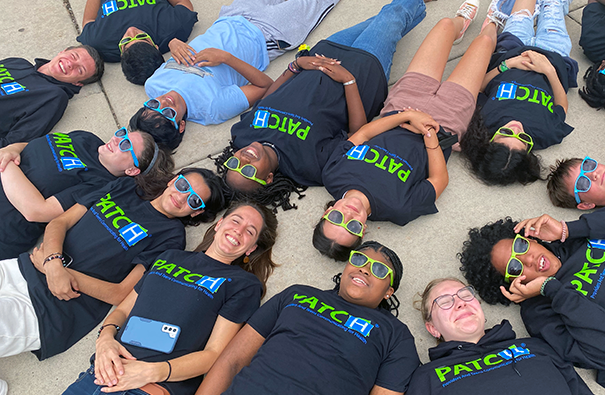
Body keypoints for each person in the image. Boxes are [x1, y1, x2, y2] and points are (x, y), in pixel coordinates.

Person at [312, 2, 493, 260]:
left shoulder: (332, 176)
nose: (349, 214)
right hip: (444, 122)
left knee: (443, 25)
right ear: (363, 230)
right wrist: (430, 137)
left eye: (337, 218)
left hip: (402, 105)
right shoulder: (398, 209)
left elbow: (362, 135)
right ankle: (496, 22)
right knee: (485, 43)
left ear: (326, 213)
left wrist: (406, 115)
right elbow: (438, 181)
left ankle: (461, 24)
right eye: (352, 226)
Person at [458, 203, 605, 395]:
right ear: (512, 285)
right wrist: (553, 290)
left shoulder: (574, 239)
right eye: (515, 267)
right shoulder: (539, 312)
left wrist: (569, 229)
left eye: (520, 246)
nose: (528, 258)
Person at [54, 201, 278, 395]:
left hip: (146, 392)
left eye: (249, 231)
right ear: (219, 224)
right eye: (235, 220)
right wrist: (104, 339)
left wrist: (152, 372)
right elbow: (123, 309)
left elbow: (214, 355)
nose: (238, 230)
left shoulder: (243, 284)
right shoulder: (169, 256)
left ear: (251, 248)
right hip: (93, 380)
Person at [216, 0, 428, 212]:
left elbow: (266, 100)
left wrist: (296, 65)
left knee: (384, 19)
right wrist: (348, 81)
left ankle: (416, 6)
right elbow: (357, 133)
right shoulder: (310, 167)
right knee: (393, 16)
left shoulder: (243, 135)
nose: (244, 159)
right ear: (269, 178)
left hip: (322, 56)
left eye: (234, 165)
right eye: (249, 172)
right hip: (363, 72)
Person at [0, 167, 224, 364]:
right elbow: (61, 221)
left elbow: (121, 294)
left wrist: (59, 272)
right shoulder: (127, 186)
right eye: (183, 185)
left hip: (54, 308)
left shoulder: (171, 238)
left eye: (194, 201)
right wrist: (53, 263)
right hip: (26, 269)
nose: (182, 197)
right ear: (173, 180)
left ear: (196, 212)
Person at [191, 241, 420, 395]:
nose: (365, 268)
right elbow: (232, 360)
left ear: (389, 292)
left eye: (380, 269)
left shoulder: (396, 335)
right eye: (359, 258)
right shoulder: (296, 294)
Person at [137, 0, 340, 148]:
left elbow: (176, 51)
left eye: (154, 104)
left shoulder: (153, 84)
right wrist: (226, 58)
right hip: (269, 32)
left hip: (233, 14)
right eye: (169, 113)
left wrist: (173, 43)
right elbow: (265, 86)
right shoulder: (211, 108)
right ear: (181, 125)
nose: (166, 102)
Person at [404, 277, 603, 395]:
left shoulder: (535, 346)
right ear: (432, 328)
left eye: (465, 295)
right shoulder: (426, 377)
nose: (460, 304)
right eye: (445, 302)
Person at [0, 126, 172, 260]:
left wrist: (5, 162)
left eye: (125, 145)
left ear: (132, 170)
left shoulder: (101, 187)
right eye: (122, 133)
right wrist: (11, 149)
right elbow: (30, 147)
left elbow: (36, 211)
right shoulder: (87, 139)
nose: (116, 139)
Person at [460, 0, 578, 185]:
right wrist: (549, 71)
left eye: (506, 132)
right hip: (554, 54)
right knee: (553, 7)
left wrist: (507, 65)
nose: (516, 128)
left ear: (489, 140)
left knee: (522, 9)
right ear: (529, 152)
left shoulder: (483, 121)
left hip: (512, 50)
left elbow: (481, 87)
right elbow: (561, 105)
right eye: (523, 138)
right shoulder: (546, 134)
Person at [0, 46, 104, 147]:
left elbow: (12, 145)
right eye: (73, 56)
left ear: (78, 83)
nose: (70, 64)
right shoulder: (17, 63)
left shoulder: (54, 96)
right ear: (63, 51)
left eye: (80, 70)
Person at [77, 0, 198, 85]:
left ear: (121, 53)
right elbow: (182, 3)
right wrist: (172, 40)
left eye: (126, 40)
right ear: (156, 46)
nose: (131, 31)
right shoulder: (173, 27)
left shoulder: (99, 41)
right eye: (141, 36)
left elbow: (88, 20)